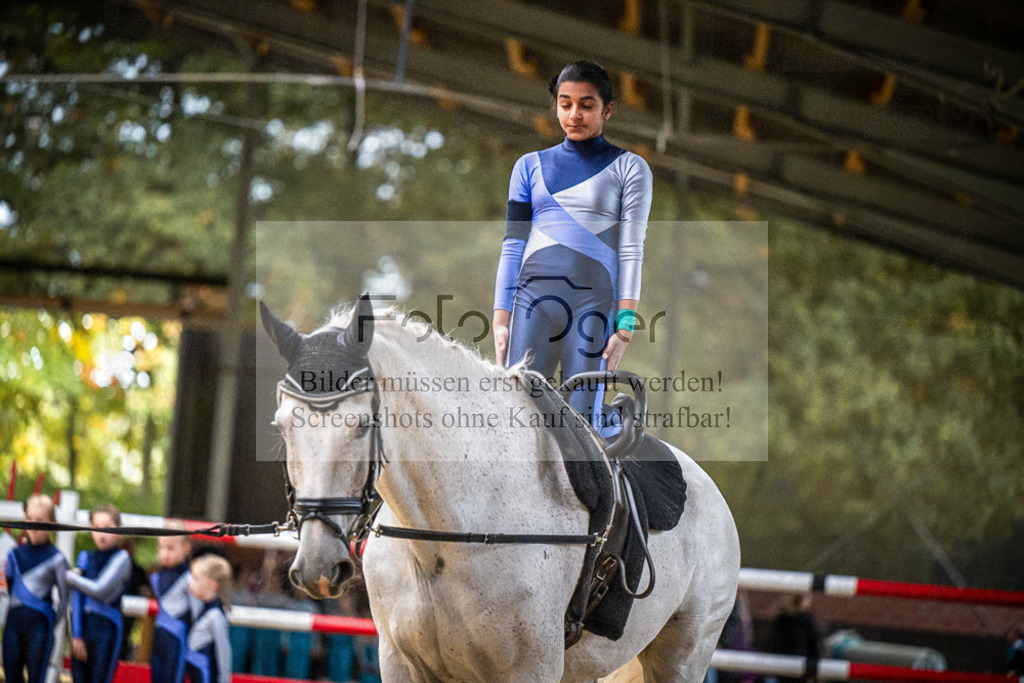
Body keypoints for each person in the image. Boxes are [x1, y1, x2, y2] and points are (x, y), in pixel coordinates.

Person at [492, 59, 653, 434]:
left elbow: (632, 249)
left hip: (592, 307)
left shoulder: (630, 168)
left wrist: (625, 326)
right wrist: (500, 320)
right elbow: (512, 246)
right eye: (565, 104)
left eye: (586, 105)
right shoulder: (528, 166)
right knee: (515, 419)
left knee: (582, 427)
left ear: (607, 110)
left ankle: (616, 432)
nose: (574, 114)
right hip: (531, 303)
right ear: (556, 106)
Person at [2, 494, 71, 683]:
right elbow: (8, 590)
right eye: (30, 519)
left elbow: (65, 597)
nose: (33, 525)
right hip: (13, 626)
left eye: (39, 521)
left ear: (51, 522)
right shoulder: (14, 554)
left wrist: (51, 622)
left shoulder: (57, 558)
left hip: (40, 628)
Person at [67, 503, 133, 683]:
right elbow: (77, 597)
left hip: (107, 629)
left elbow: (99, 589)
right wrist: (76, 635)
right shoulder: (85, 556)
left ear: (118, 529)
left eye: (107, 527)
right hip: (83, 628)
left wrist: (70, 576)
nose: (101, 534)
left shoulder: (122, 558)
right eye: (96, 527)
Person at [149, 528, 193, 683]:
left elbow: (196, 613)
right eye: (161, 548)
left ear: (186, 548)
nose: (165, 553)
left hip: (178, 640)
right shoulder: (156, 577)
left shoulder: (190, 579)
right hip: (158, 638)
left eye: (171, 548)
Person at [185, 554, 232, 683]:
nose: (190, 584)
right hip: (195, 670)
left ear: (212, 585)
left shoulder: (215, 615)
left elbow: (223, 651)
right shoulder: (202, 607)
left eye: (196, 579)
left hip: (205, 672)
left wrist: (224, 680)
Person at [770, 594, 821, 683]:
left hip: (782, 665)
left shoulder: (781, 619)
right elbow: (814, 645)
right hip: (802, 665)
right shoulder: (807, 620)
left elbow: (773, 643)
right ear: (803, 600)